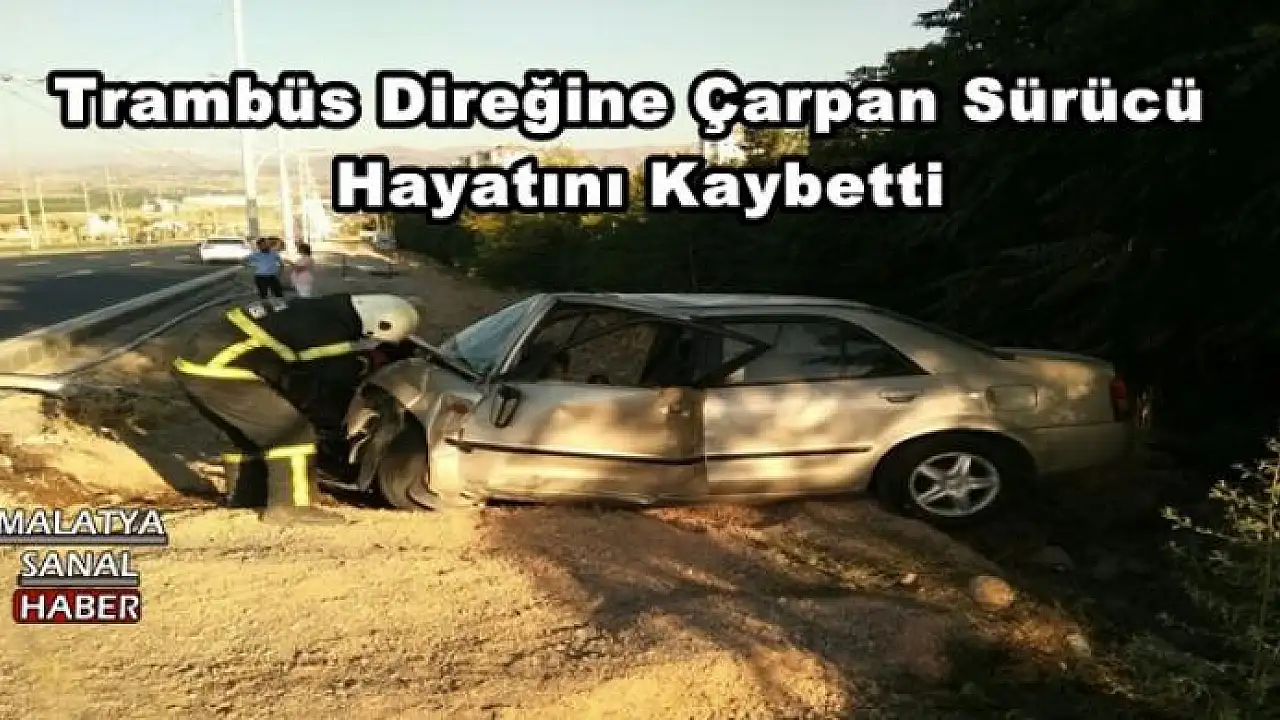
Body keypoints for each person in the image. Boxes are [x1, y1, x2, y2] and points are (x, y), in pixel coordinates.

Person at [170, 292, 420, 524]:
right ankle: (288, 508)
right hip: (219, 371)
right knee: (293, 432)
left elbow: (294, 366)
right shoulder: (328, 328)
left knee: (249, 436)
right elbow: (327, 374)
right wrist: (364, 365)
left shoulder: (328, 310)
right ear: (382, 324)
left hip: (198, 365)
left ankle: (246, 498)